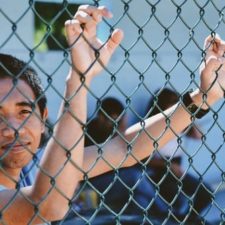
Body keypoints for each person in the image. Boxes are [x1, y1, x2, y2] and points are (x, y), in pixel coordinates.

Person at [0, 4, 225, 225]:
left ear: (42, 119)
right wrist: (78, 80)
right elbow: (49, 202)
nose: (12, 129)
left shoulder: (34, 164)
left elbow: (125, 148)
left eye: (24, 112)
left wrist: (201, 98)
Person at [145, 88, 213, 222]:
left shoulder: (179, 125)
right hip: (158, 171)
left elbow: (200, 136)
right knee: (177, 200)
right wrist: (167, 165)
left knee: (206, 193)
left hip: (176, 169)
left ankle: (189, 220)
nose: (176, 105)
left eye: (178, 102)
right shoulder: (152, 127)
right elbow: (143, 160)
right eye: (172, 102)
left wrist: (189, 113)